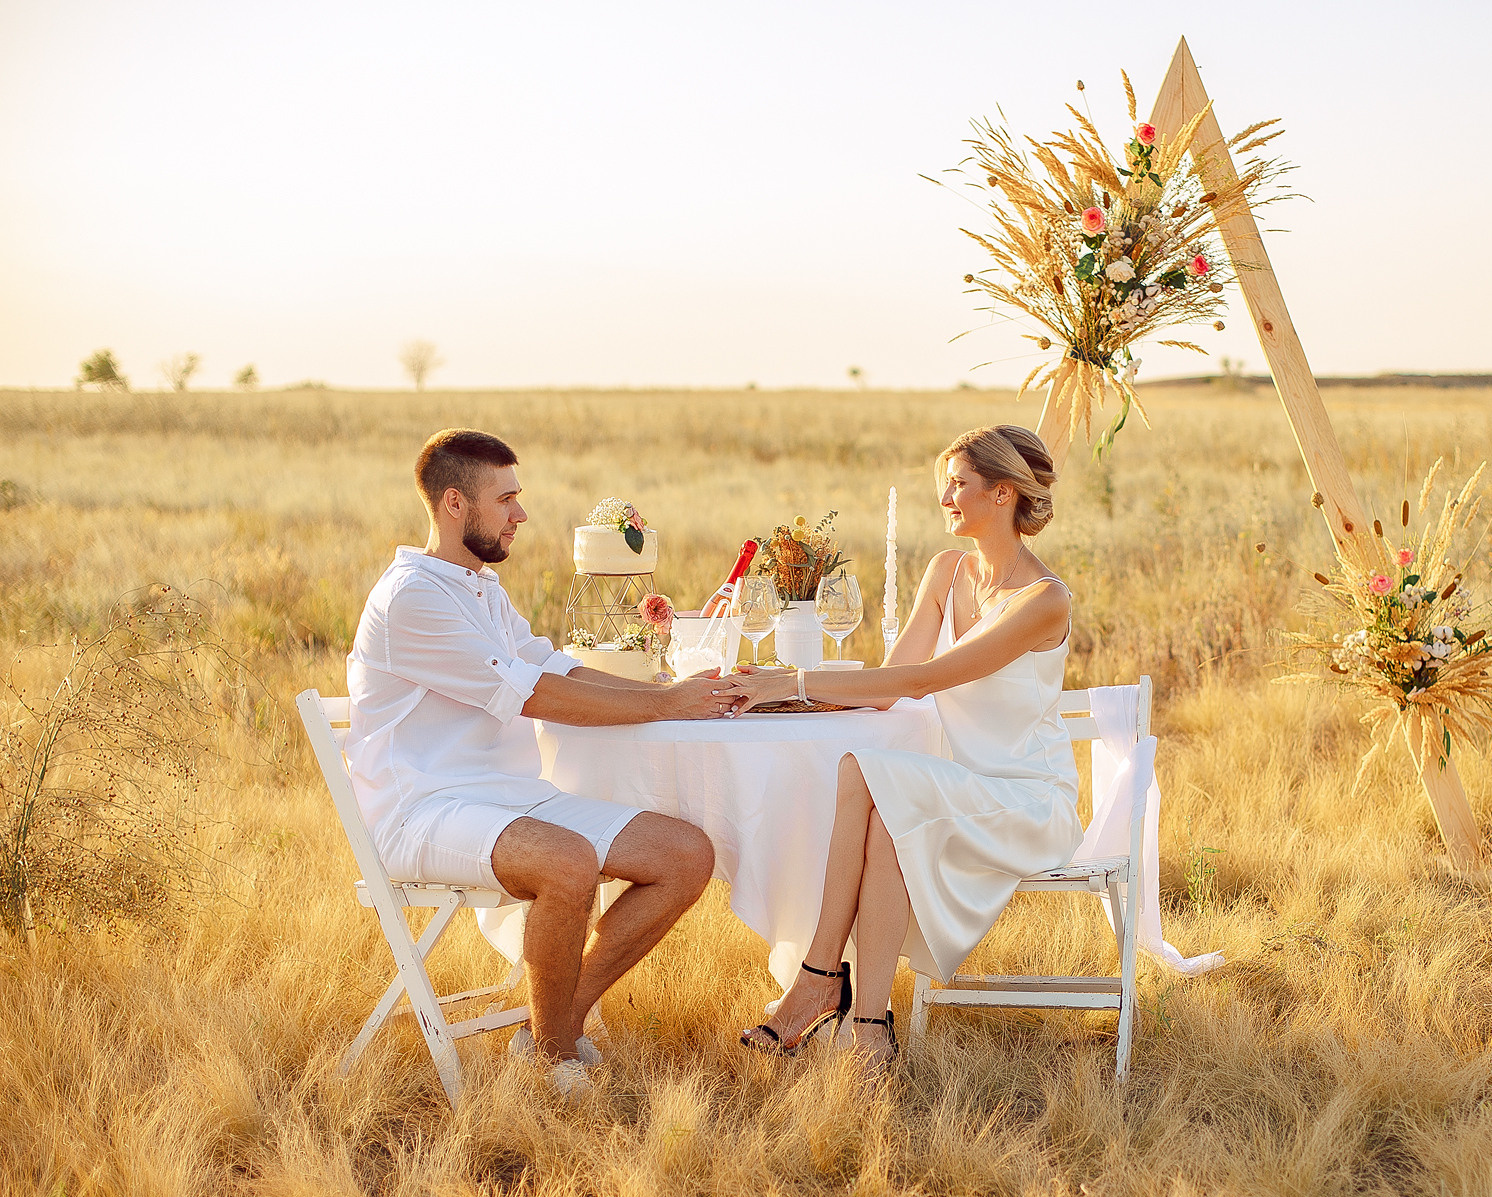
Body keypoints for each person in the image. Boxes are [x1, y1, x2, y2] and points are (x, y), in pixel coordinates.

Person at [346, 428, 747, 1096]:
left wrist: (673, 697)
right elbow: (535, 695)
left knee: (685, 854)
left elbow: (556, 666)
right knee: (569, 862)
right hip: (425, 810)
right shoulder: (410, 596)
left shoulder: (479, 589)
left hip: (507, 798)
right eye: (505, 499)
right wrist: (666, 705)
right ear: (454, 504)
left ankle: (547, 1026)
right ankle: (555, 1054)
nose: (520, 515)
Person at [724, 424, 1082, 1073]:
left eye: (959, 484)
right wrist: (782, 695)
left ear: (1003, 494)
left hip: (1025, 798)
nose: (945, 496)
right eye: (944, 482)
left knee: (867, 774)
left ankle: (817, 978)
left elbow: (921, 681)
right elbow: (888, 688)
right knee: (886, 811)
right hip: (956, 786)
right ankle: (867, 1027)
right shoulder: (948, 571)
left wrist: (797, 679)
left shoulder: (1043, 598)